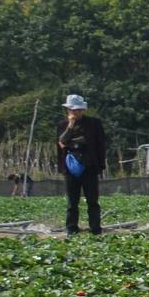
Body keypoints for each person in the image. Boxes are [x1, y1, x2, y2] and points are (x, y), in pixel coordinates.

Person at [57, 94, 107, 236]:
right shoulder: (62, 125)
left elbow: (100, 145)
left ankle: (95, 229)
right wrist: (71, 126)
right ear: (68, 110)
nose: (76, 112)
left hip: (89, 167)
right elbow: (62, 143)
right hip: (71, 168)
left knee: (92, 201)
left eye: (78, 110)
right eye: (73, 110)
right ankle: (72, 229)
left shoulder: (94, 124)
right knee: (72, 202)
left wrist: (101, 165)